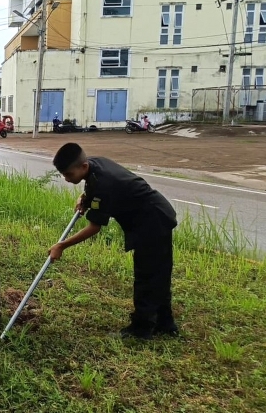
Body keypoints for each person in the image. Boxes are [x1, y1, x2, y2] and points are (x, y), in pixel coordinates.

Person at [49, 143, 178, 339]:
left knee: (147, 275)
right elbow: (94, 188)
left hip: (153, 221)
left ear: (83, 166)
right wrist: (85, 199)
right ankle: (166, 324)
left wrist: (62, 246)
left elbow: (94, 227)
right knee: (158, 272)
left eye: (69, 174)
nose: (67, 179)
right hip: (154, 214)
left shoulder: (104, 183)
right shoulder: (95, 164)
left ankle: (141, 329)